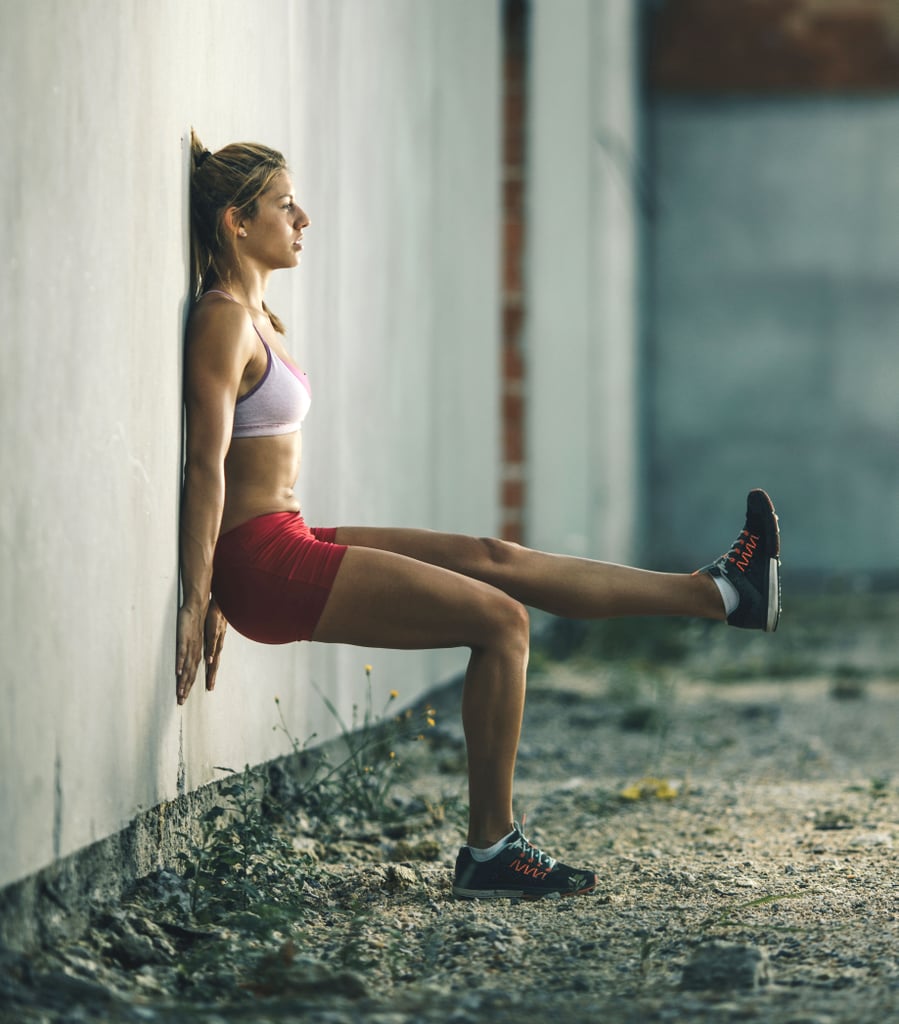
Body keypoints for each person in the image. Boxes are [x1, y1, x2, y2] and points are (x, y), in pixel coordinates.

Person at [176, 132, 782, 901]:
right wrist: (206, 590)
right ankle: (491, 848)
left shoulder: (255, 316)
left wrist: (226, 575)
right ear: (235, 221)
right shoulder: (223, 319)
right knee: (501, 622)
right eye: (283, 204)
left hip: (274, 544)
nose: (303, 217)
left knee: (493, 557)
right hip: (261, 558)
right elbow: (204, 466)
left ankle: (725, 594)